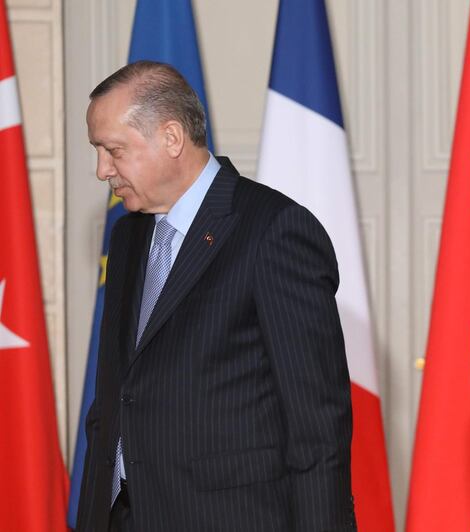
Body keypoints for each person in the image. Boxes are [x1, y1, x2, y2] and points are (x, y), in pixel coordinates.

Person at [75, 61, 355, 532]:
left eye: (113, 150)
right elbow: (112, 406)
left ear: (170, 138)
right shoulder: (126, 238)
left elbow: (317, 428)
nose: (102, 170)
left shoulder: (273, 230)